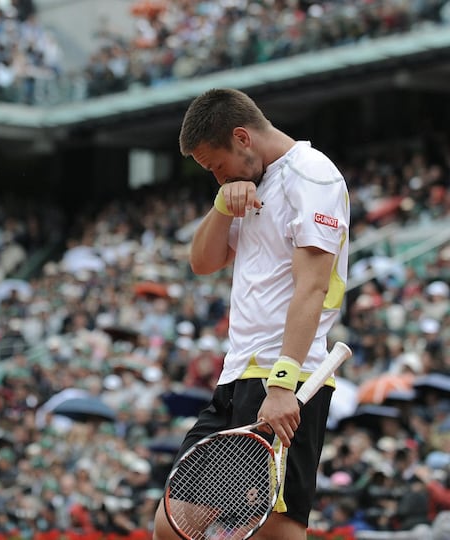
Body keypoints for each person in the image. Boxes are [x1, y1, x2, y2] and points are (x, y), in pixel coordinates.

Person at [153, 88, 350, 540]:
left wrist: (282, 384)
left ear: (242, 138)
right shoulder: (246, 186)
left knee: (275, 534)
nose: (217, 177)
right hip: (236, 374)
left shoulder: (312, 175)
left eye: (215, 166)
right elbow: (202, 262)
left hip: (286, 378)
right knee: (171, 527)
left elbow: (313, 286)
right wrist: (223, 203)